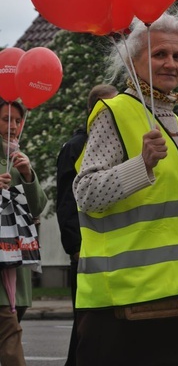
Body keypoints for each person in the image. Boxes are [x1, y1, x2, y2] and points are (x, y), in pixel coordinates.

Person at [73, 12, 178, 366]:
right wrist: (140, 164)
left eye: (177, 56)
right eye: (160, 54)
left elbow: (172, 200)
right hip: (124, 298)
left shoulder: (172, 118)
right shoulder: (112, 112)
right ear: (133, 61)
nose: (171, 64)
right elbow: (85, 194)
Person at [56, 83, 118, 366]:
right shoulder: (77, 147)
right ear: (94, 110)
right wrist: (75, 246)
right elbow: (68, 201)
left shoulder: (105, 143)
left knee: (96, 323)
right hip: (84, 248)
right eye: (109, 107)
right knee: (85, 322)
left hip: (106, 246)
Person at [0, 98, 47, 366]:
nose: (14, 126)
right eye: (7, 119)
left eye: (17, 121)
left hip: (18, 266)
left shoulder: (18, 159)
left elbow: (38, 206)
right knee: (10, 340)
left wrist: (28, 176)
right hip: (2, 272)